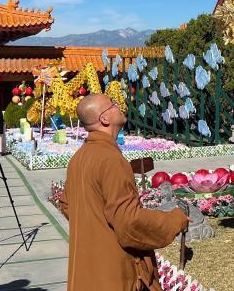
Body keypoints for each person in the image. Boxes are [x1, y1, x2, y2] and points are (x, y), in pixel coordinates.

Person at [60, 94, 189, 291]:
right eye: (113, 104)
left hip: (87, 267)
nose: (119, 105)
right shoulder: (110, 159)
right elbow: (129, 220)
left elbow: (67, 205)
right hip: (113, 271)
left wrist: (96, 227)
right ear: (104, 119)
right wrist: (174, 220)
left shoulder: (78, 158)